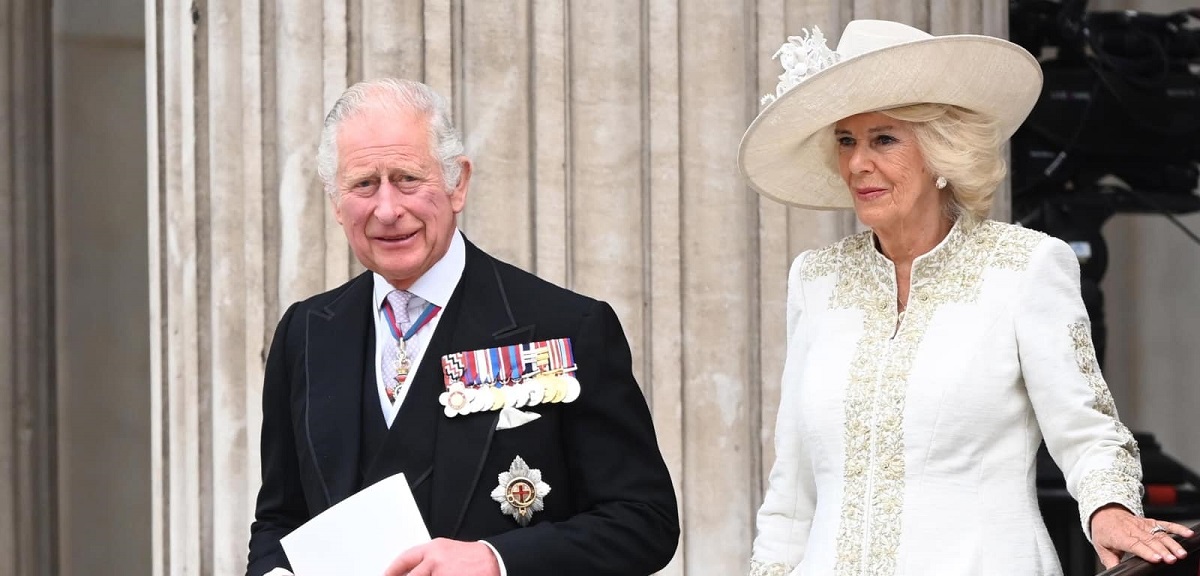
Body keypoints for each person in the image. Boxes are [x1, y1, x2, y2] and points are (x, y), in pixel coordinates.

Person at [739, 20, 1194, 575]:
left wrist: (1109, 507)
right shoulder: (817, 278)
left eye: (883, 138)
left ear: (939, 151)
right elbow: (793, 484)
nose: (858, 162)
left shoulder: (1025, 266)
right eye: (846, 140)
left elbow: (1088, 431)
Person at [246, 78, 679, 576]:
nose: (387, 209)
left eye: (407, 178)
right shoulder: (305, 334)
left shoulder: (566, 327)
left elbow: (644, 521)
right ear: (334, 201)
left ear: (458, 183)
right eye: (364, 184)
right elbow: (280, 519)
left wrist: (497, 561)